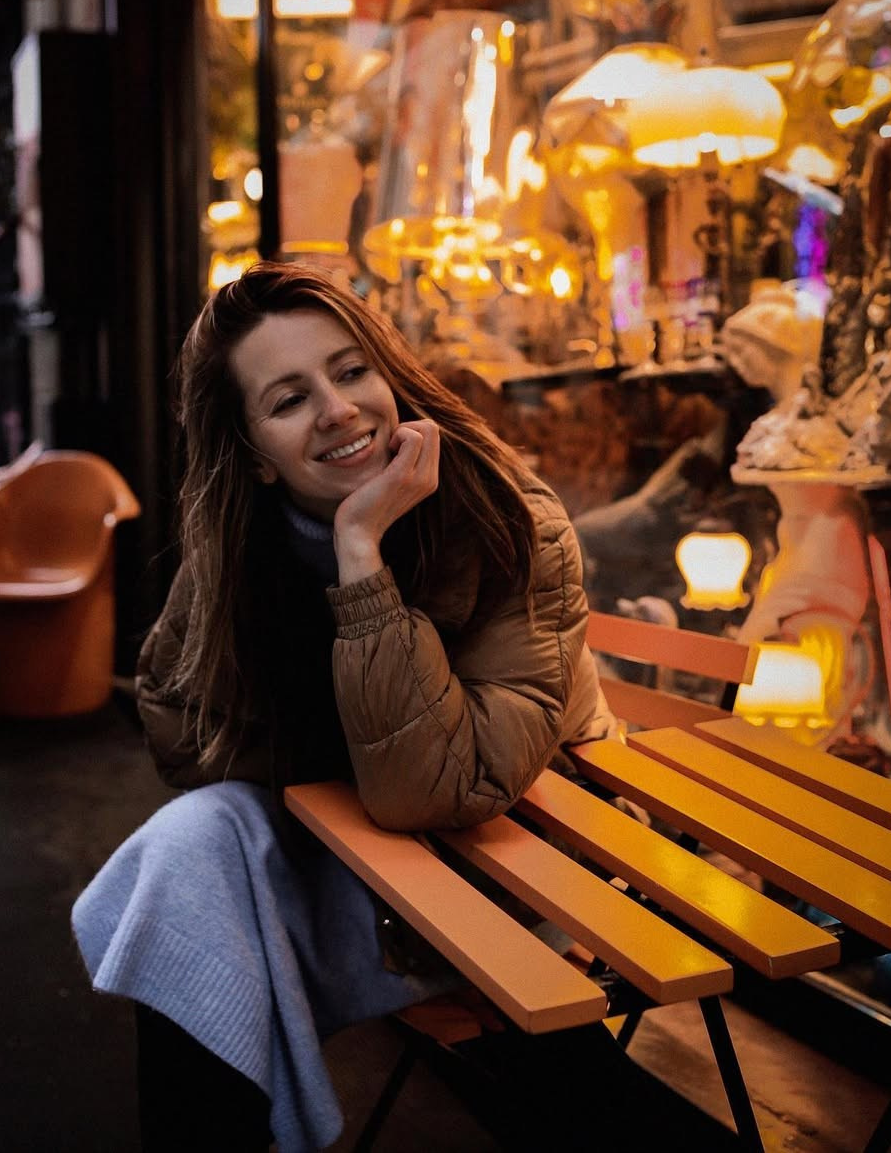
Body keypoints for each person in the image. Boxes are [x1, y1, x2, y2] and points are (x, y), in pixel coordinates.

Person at [71, 260, 615, 1152]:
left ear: (388, 374)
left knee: (208, 883)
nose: (337, 409)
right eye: (287, 400)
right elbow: (175, 721)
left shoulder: (506, 521)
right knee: (189, 850)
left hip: (509, 860)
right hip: (363, 849)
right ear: (253, 454)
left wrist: (362, 557)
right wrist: (341, 751)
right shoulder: (246, 536)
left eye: (351, 370)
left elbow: (437, 791)